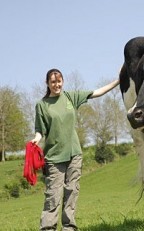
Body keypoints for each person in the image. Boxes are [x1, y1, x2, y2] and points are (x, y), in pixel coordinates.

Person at [31, 68, 119, 231]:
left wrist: (118, 80)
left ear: (62, 81)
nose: (57, 85)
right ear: (47, 83)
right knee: (53, 195)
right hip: (54, 157)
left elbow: (97, 92)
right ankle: (47, 228)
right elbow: (39, 129)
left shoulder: (70, 97)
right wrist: (36, 139)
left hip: (74, 154)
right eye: (53, 82)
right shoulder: (42, 105)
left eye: (59, 81)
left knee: (72, 192)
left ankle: (69, 227)